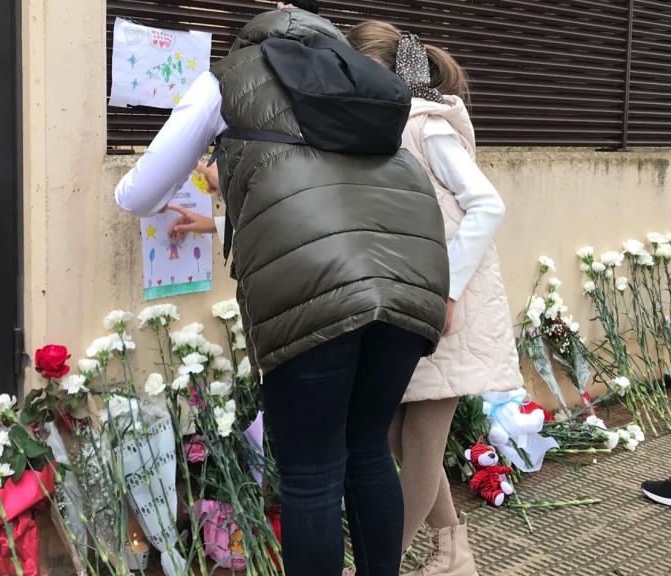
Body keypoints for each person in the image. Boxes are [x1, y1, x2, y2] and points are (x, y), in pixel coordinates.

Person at [114, 3, 452, 575]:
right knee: (367, 449)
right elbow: (338, 188)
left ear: (250, 37)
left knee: (313, 470)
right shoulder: (356, 77)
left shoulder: (228, 77)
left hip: (317, 283)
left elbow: (138, 195)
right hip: (412, 270)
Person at [346, 21, 523, 576]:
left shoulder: (427, 127)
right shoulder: (387, 128)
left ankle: (385, 563)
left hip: (445, 309)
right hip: (411, 304)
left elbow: (487, 205)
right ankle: (455, 553)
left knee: (418, 443)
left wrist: (446, 290)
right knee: (400, 435)